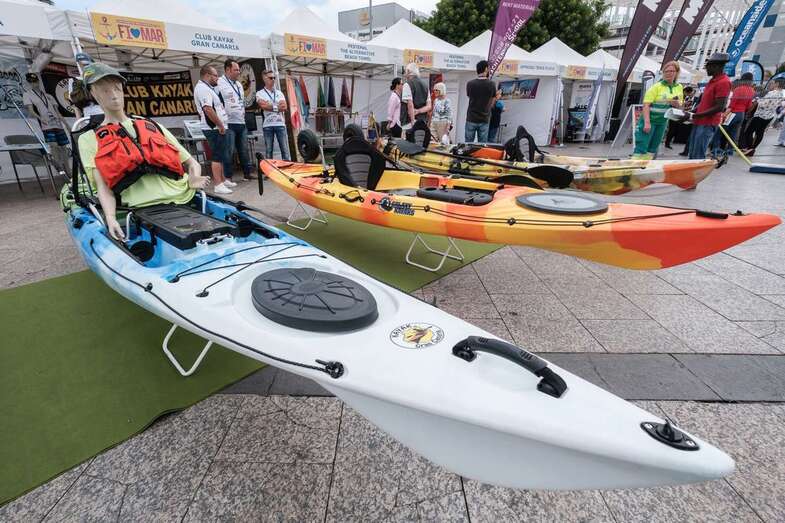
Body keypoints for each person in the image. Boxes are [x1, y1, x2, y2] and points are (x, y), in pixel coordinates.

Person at [77, 63, 209, 240]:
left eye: (117, 89)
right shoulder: (88, 139)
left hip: (183, 196)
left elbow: (191, 163)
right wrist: (110, 217)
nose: (113, 95)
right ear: (93, 94)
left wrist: (193, 177)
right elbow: (102, 186)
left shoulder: (153, 126)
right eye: (105, 90)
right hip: (142, 207)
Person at [22, 72, 71, 175]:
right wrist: (41, 119)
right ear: (28, 83)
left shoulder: (48, 96)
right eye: (31, 82)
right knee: (54, 146)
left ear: (38, 81)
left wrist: (66, 124)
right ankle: (60, 170)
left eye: (35, 81)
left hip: (57, 123)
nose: (34, 84)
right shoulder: (27, 95)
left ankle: (68, 170)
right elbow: (31, 111)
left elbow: (57, 112)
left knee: (63, 147)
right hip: (46, 124)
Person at [633, 61, 683, 160]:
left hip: (662, 122)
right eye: (666, 71)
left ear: (676, 72)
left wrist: (675, 103)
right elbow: (646, 105)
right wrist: (647, 123)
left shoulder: (679, 87)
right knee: (642, 147)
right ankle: (635, 165)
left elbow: (679, 105)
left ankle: (646, 166)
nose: (669, 73)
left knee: (653, 148)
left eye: (672, 71)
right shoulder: (656, 87)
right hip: (650, 120)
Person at [194, 65, 232, 194]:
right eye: (215, 75)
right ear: (207, 75)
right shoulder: (202, 89)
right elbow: (208, 109)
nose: (217, 78)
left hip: (216, 126)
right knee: (217, 155)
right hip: (213, 127)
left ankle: (223, 180)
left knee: (221, 154)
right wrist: (220, 125)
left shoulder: (207, 88)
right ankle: (218, 184)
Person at [686, 53, 732, 160]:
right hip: (700, 122)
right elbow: (704, 103)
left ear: (716, 66)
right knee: (692, 154)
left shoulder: (724, 82)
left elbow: (720, 107)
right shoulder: (712, 81)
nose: (706, 69)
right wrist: (692, 112)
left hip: (707, 123)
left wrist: (695, 115)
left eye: (708, 66)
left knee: (697, 156)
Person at [217, 59, 255, 182]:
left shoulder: (238, 84)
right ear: (228, 70)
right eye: (236, 70)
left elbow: (241, 101)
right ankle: (228, 177)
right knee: (229, 151)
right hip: (228, 123)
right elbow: (216, 102)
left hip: (241, 122)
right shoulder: (219, 83)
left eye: (239, 70)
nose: (239, 72)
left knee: (244, 150)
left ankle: (247, 174)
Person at [711, 72, 756, 157]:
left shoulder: (738, 89)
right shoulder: (752, 91)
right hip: (741, 114)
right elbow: (749, 106)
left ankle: (715, 150)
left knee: (719, 132)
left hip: (732, 113)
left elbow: (732, 105)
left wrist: (724, 115)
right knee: (733, 134)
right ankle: (729, 151)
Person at [740, 82, 785, 156]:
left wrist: (758, 100)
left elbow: (764, 104)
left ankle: (750, 148)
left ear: (777, 84)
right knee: (760, 132)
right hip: (770, 116)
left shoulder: (771, 93)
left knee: (749, 132)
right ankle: (752, 148)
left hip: (760, 115)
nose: (770, 85)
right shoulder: (781, 94)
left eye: (772, 83)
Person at [256, 70, 290, 161]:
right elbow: (263, 106)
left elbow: (284, 107)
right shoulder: (260, 93)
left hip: (280, 124)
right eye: (271, 78)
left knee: (285, 150)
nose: (273, 80)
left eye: (274, 78)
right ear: (265, 79)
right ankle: (269, 168)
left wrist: (270, 105)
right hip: (268, 125)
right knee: (269, 150)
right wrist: (277, 106)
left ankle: (287, 167)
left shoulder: (279, 93)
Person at [465, 60, 496, 143]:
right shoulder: (492, 84)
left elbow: (469, 96)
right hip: (484, 118)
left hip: (471, 117)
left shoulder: (470, 83)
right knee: (482, 145)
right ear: (486, 69)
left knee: (468, 144)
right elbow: (493, 100)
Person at [400, 63, 431, 130]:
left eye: (405, 71)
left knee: (407, 137)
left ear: (408, 71)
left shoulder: (407, 84)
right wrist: (418, 111)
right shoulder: (426, 85)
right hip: (422, 122)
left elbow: (410, 104)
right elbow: (429, 106)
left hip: (409, 122)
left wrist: (412, 121)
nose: (405, 74)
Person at [665, 85, 694, 149]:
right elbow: (673, 104)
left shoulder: (683, 97)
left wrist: (685, 106)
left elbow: (680, 106)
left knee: (674, 130)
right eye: (689, 93)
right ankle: (667, 143)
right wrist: (682, 106)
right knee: (672, 130)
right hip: (674, 114)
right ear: (685, 91)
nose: (689, 95)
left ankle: (668, 142)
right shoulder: (678, 96)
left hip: (678, 114)